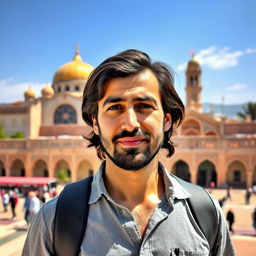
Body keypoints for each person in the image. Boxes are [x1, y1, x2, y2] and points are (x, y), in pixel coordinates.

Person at [22, 49, 235, 255]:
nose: (131, 123)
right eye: (115, 108)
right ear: (95, 123)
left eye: (144, 106)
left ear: (167, 120)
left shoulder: (205, 213)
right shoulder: (54, 220)